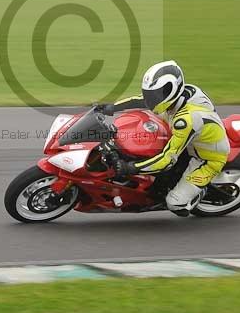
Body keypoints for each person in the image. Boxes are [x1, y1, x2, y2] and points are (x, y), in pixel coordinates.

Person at [97, 60, 229, 217]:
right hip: (191, 137)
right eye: (150, 94)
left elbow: (167, 160)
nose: (151, 99)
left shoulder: (185, 120)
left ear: (171, 92)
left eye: (155, 96)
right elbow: (141, 100)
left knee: (175, 204)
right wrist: (112, 107)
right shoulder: (184, 92)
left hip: (206, 157)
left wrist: (131, 167)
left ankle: (199, 193)